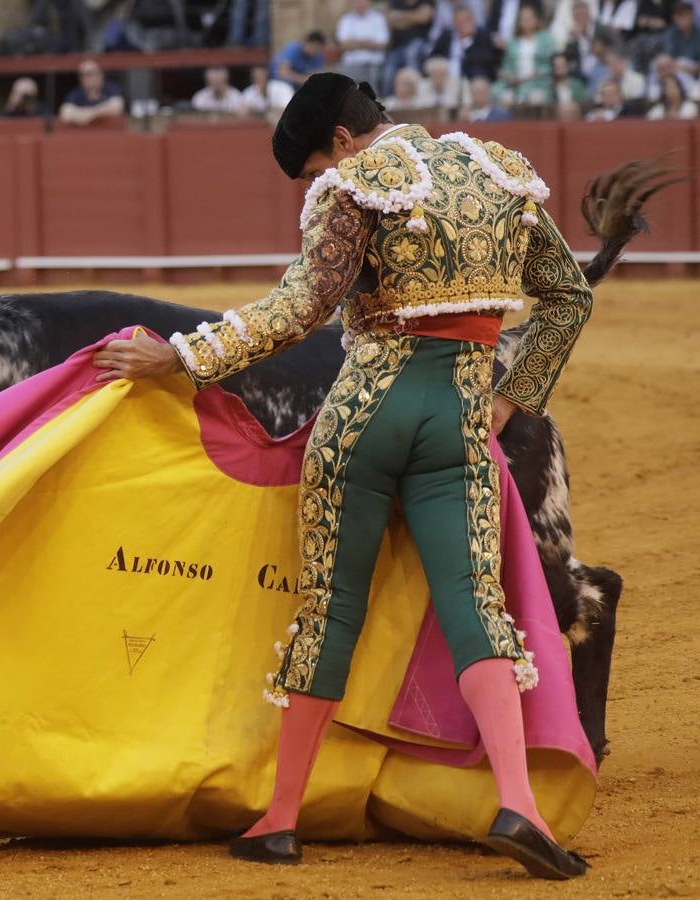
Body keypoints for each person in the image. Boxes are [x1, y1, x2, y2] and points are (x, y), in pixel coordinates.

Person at [91, 72, 594, 879]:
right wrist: (508, 402)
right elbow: (568, 299)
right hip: (460, 420)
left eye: (314, 167)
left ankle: (281, 819)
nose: (318, 180)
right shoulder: (503, 175)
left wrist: (181, 356)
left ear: (342, 142)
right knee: (478, 610)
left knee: (330, 610)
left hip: (365, 417)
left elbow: (300, 308)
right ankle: (519, 804)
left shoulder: (355, 185)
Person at [494, 4, 556, 104]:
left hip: (538, 82)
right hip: (514, 83)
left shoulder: (546, 39)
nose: (527, 22)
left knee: (536, 98)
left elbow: (552, 64)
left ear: (536, 19)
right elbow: (506, 65)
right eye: (523, 19)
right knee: (503, 96)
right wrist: (509, 76)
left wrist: (536, 74)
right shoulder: (513, 42)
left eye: (529, 18)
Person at [383, 0, 435, 93]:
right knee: (388, 73)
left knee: (412, 54)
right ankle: (387, 101)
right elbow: (389, 20)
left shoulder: (427, 1)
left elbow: (423, 18)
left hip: (420, 44)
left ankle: (418, 94)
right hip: (396, 46)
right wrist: (414, 16)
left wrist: (400, 16)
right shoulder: (393, 2)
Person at [335, 0, 390, 88]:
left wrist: (355, 42)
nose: (359, 3)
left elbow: (382, 44)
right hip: (351, 63)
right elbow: (343, 45)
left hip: (374, 64)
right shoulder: (346, 20)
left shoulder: (378, 19)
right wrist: (368, 42)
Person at [58, 59, 124, 126]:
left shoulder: (110, 88)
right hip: (83, 134)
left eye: (89, 74)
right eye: (82, 75)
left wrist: (89, 114)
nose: (85, 78)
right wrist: (101, 111)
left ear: (100, 75)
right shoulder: (77, 93)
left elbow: (117, 107)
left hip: (110, 132)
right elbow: (65, 113)